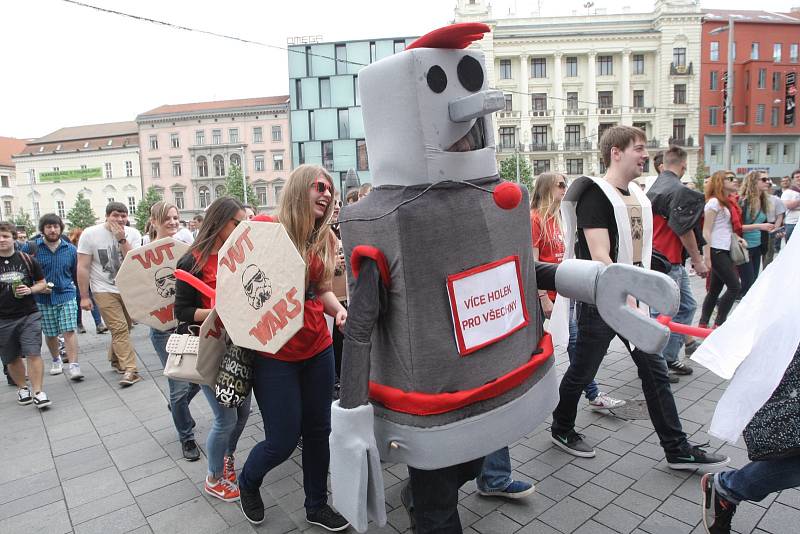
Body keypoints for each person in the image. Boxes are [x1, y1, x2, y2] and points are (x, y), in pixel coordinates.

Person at [550, 126, 729, 471]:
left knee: (655, 372)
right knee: (583, 369)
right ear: (616, 152)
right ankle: (561, 427)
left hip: (633, 301)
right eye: (640, 148)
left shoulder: (637, 196)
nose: (646, 155)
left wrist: (646, 288)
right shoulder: (596, 195)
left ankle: (677, 449)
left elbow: (640, 251)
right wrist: (628, 293)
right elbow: (599, 254)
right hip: (601, 302)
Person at [238, 165, 349, 531]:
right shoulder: (267, 228)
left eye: (330, 190)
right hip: (274, 355)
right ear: (301, 189)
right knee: (283, 441)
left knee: (319, 432)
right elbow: (237, 282)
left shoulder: (326, 239)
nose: (327, 194)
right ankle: (248, 481)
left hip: (317, 347)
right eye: (320, 187)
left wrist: (340, 310)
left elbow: (321, 289)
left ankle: (316, 505)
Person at [174, 197, 252, 502]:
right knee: (226, 419)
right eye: (237, 222)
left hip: (238, 347)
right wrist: (219, 312)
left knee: (243, 411)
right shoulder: (190, 261)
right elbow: (181, 311)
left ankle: (225, 459)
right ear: (219, 223)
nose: (241, 228)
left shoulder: (239, 254)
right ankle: (213, 477)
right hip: (208, 348)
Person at [537, 172, 624, 409]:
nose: (565, 189)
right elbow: (532, 265)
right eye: (561, 185)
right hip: (547, 297)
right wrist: (544, 298)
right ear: (546, 188)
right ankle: (589, 396)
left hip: (564, 293)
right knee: (570, 344)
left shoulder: (558, 219)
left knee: (574, 345)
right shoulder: (535, 219)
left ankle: (591, 395)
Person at [646, 145, 708, 376]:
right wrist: (698, 260)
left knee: (682, 308)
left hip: (662, 259)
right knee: (664, 314)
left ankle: (665, 359)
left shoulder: (655, 187)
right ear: (683, 165)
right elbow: (684, 229)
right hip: (667, 261)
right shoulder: (676, 189)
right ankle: (659, 363)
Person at [147, 201, 201, 461]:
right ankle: (186, 437)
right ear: (154, 220)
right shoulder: (142, 254)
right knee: (178, 387)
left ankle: (177, 407)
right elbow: (138, 294)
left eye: (175, 217)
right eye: (166, 218)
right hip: (163, 329)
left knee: (201, 378)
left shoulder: (186, 249)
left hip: (188, 325)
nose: (172, 221)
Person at [77, 201, 143, 386]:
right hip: (103, 288)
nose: (120, 219)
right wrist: (84, 296)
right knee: (119, 328)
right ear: (107, 216)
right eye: (116, 215)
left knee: (125, 327)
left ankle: (115, 359)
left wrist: (122, 239)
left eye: (123, 215)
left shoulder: (134, 234)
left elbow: (135, 261)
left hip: (127, 288)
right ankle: (131, 369)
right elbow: (82, 266)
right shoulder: (90, 234)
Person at [22, 214, 83, 381]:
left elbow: (75, 273)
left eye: (55, 226)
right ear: (43, 229)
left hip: (66, 294)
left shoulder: (70, 249)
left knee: (69, 329)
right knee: (50, 333)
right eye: (49, 227)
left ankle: (74, 365)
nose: (53, 230)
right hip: (42, 298)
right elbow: (23, 270)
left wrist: (82, 294)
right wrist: (35, 287)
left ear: (60, 228)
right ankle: (56, 360)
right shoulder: (32, 248)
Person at [0, 220, 51, 408]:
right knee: (11, 358)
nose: (1, 240)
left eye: (5, 236)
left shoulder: (27, 260)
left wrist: (30, 290)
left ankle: (38, 391)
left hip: (28, 314)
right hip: (3, 319)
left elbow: (42, 283)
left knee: (33, 352)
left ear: (13, 238)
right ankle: (22, 387)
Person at [698, 171, 747, 329]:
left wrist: (737, 238)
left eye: (735, 178)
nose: (735, 181)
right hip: (716, 250)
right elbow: (706, 230)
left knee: (714, 289)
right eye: (730, 179)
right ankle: (719, 324)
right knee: (735, 286)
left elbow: (724, 228)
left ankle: (703, 324)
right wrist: (706, 257)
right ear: (720, 181)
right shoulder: (713, 202)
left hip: (723, 249)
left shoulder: (726, 202)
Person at [737, 171, 775, 297]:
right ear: (753, 182)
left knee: (752, 283)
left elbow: (763, 224)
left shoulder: (764, 200)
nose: (768, 182)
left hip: (757, 246)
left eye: (768, 179)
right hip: (743, 247)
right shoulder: (743, 201)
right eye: (764, 179)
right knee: (747, 283)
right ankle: (720, 304)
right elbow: (736, 228)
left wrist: (771, 229)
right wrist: (760, 226)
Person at [68, 228, 106, 334]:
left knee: (92, 300)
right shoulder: (72, 250)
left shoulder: (89, 248)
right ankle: (79, 324)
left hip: (89, 279)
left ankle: (99, 324)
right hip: (75, 281)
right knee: (78, 302)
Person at [781, 169, 800, 242]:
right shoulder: (788, 192)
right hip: (792, 223)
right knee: (791, 246)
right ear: (793, 179)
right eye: (797, 177)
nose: (799, 178)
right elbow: (788, 205)